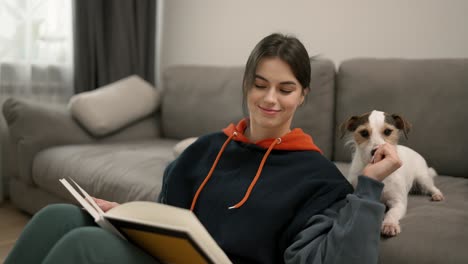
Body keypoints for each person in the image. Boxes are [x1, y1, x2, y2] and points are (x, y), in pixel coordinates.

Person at [5, 33, 401, 264]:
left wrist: (368, 186)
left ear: (303, 96)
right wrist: (123, 216)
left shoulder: (318, 177)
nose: (270, 99)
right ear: (246, 84)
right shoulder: (207, 147)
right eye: (260, 84)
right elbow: (172, 215)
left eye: (285, 89)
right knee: (58, 216)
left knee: (83, 245)